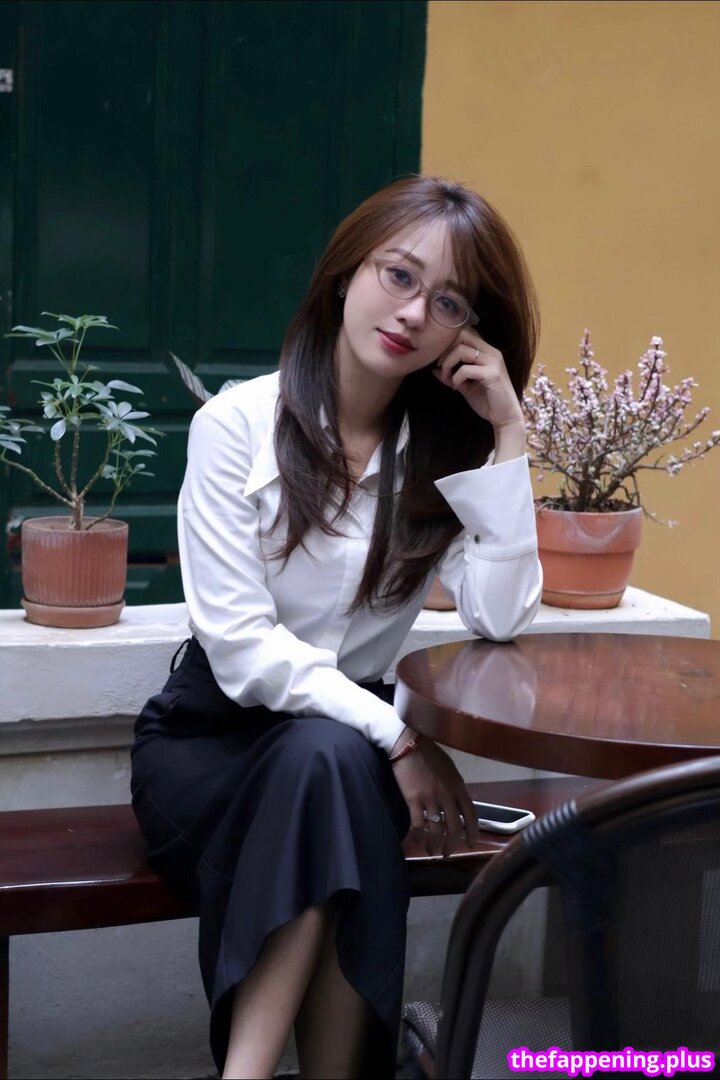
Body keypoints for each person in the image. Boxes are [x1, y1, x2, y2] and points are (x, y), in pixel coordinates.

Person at [130, 175, 542, 1080]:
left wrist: (510, 434)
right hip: (211, 749)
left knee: (327, 766)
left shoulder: (440, 457)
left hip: (343, 758)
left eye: (448, 303)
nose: (414, 313)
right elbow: (241, 648)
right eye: (399, 275)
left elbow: (500, 612)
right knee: (332, 770)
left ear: (466, 334)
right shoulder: (236, 424)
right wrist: (398, 737)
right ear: (348, 270)